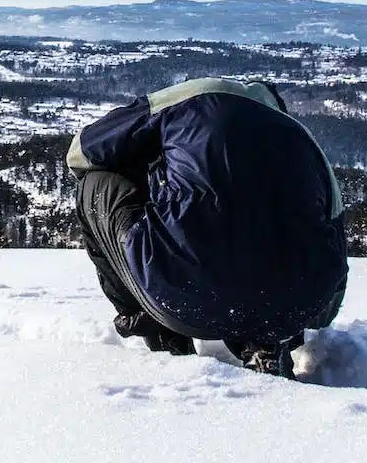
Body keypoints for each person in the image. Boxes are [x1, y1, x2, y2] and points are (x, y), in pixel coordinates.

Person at [69, 77, 347, 378]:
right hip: (295, 307)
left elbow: (81, 153)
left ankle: (155, 327)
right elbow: (336, 245)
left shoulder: (192, 98)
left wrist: (147, 172)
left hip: (180, 295)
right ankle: (266, 343)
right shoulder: (304, 140)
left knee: (93, 185)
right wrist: (307, 311)